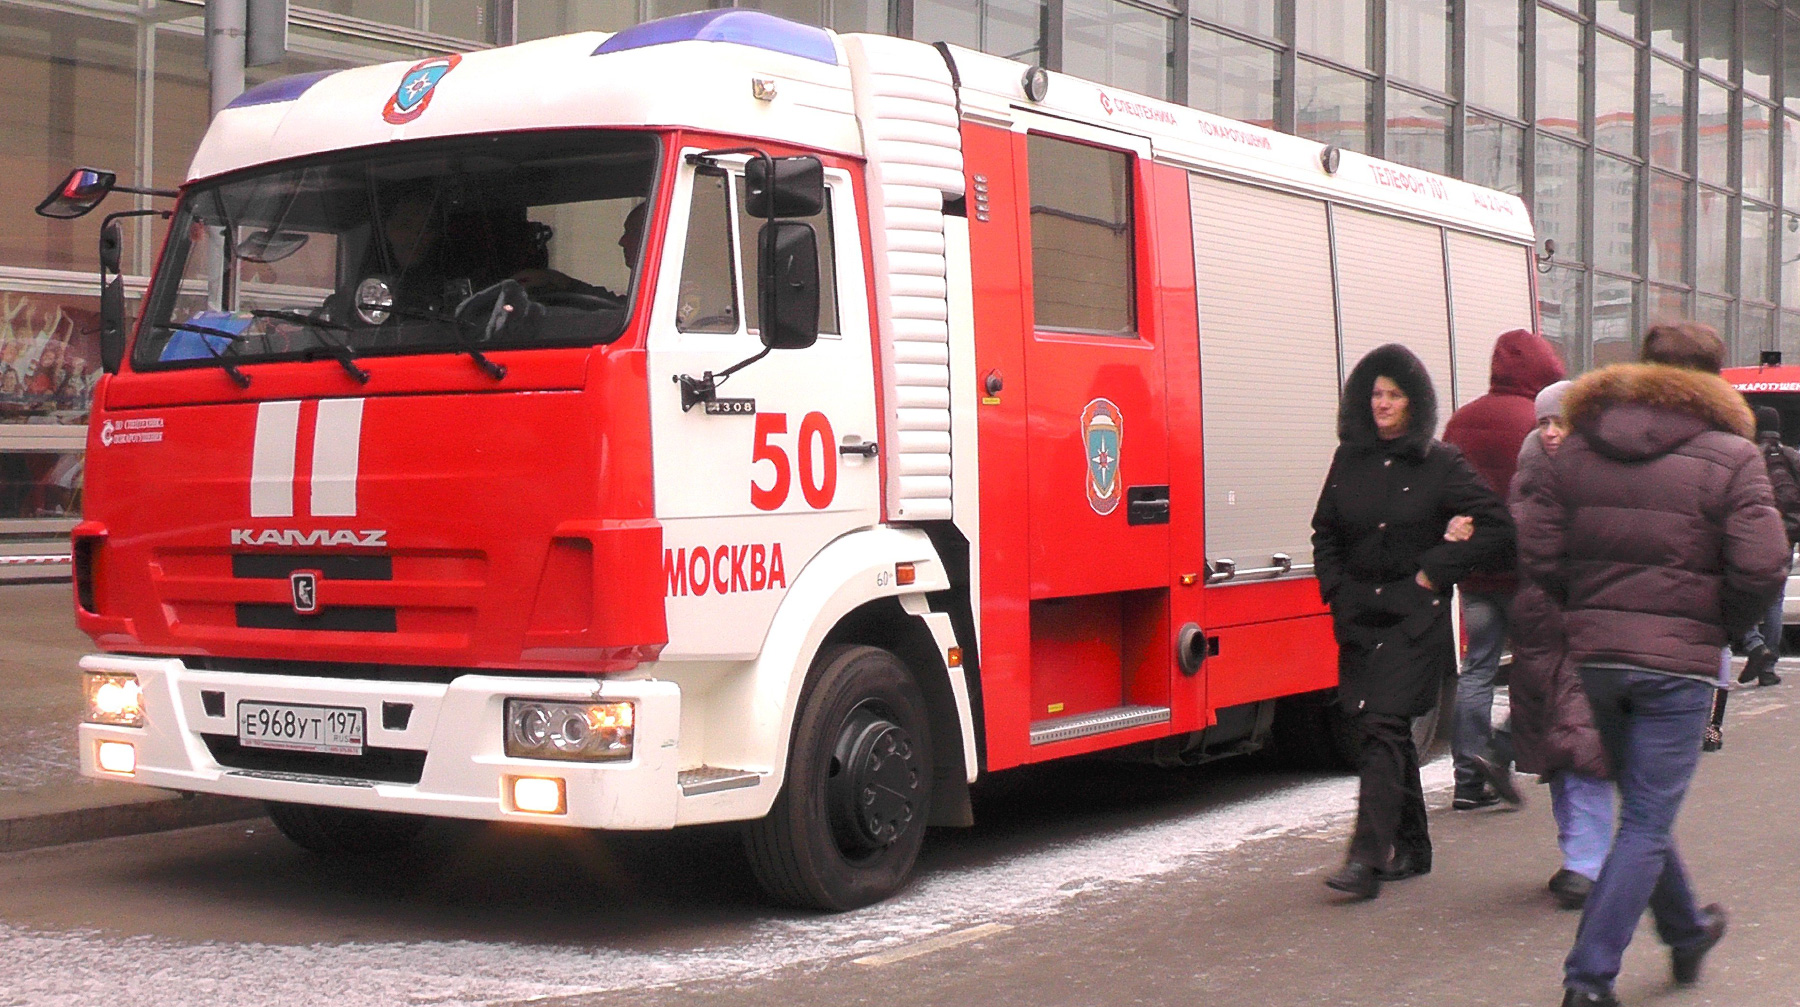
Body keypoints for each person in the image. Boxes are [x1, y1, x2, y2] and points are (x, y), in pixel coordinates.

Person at [1516, 322, 1789, 1006]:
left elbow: (1539, 545)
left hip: (1599, 658)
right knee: (1646, 819)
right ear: (1711, 381)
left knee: (1641, 803)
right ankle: (1589, 976)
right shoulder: (1732, 455)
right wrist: (1720, 625)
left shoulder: (1578, 446)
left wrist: (1581, 608)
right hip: (1679, 667)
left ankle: (1687, 930)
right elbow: (1763, 561)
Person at [1311, 343, 1515, 901]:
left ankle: (1367, 857)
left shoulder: (1440, 462)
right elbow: (1324, 532)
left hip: (1412, 619)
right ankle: (1415, 847)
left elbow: (1497, 525)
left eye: (1394, 394)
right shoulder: (1347, 458)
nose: (1382, 404)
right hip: (1358, 614)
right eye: (1375, 393)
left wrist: (1434, 571)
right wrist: (1335, 591)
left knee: (1380, 725)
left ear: (1414, 401)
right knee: (1382, 728)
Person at [1501, 379, 1616, 912]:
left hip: (1591, 627)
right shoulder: (1528, 477)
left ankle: (1588, 862)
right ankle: (1577, 854)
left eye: (1560, 422)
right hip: (1538, 630)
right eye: (1543, 422)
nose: (1550, 432)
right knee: (1555, 745)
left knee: (1581, 741)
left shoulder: (1609, 478)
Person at [1441, 328, 1567, 809]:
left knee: (1476, 671)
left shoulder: (1461, 421)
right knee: (1542, 670)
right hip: (1527, 572)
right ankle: (1502, 749)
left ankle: (1466, 782)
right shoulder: (1536, 424)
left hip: (1474, 573)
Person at [1738, 404, 1799, 687]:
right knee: (1775, 599)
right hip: (1785, 537)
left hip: (1752, 535)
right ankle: (1768, 668)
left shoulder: (1747, 457)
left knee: (1737, 590)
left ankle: (1753, 645)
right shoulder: (1791, 456)